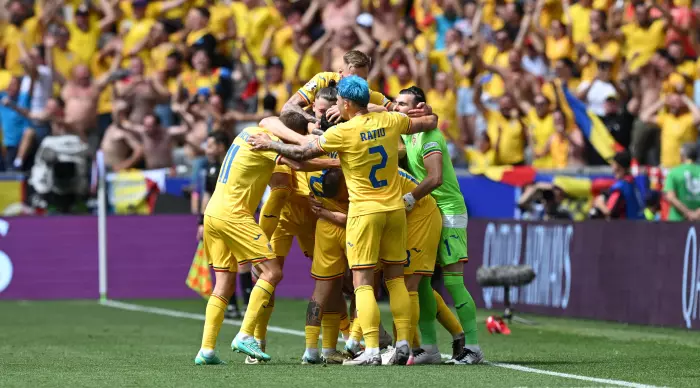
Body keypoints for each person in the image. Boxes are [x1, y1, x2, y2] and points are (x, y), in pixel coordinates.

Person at [247, 75, 438, 366]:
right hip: (395, 211)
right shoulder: (391, 122)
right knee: (396, 279)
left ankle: (371, 349)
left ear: (346, 103)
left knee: (362, 282)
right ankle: (402, 343)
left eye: (338, 101)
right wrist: (414, 112)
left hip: (363, 213)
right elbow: (431, 122)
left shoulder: (343, 133)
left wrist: (270, 146)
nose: (337, 105)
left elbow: (300, 152)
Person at [194, 121, 307, 366]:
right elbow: (296, 164)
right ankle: (245, 334)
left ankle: (207, 350)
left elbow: (276, 175)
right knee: (272, 272)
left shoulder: (247, 133)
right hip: (234, 215)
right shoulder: (265, 142)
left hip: (212, 212)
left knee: (223, 282)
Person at [395, 86, 483, 364]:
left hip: (449, 212)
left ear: (418, 107)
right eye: (395, 103)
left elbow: (435, 178)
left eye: (402, 104)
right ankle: (430, 348)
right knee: (421, 283)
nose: (396, 108)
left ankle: (474, 347)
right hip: (428, 213)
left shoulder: (430, 136)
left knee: (454, 282)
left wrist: (408, 198)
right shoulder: (407, 132)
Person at [281, 50, 393, 123]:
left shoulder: (366, 93)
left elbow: (396, 111)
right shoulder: (323, 79)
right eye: (351, 78)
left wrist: (350, 110)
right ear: (340, 73)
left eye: (362, 79)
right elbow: (287, 107)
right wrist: (314, 121)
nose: (356, 83)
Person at [593, 151, 645, 220]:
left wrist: (599, 203)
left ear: (619, 167)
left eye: (613, 164)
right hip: (640, 224)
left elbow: (608, 211)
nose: (611, 167)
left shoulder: (619, 187)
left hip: (628, 227)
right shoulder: (633, 183)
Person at [663, 144, 700, 221]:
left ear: (682, 156)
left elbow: (670, 197)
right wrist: (696, 214)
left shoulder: (674, 172)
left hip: (677, 221)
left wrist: (688, 213)